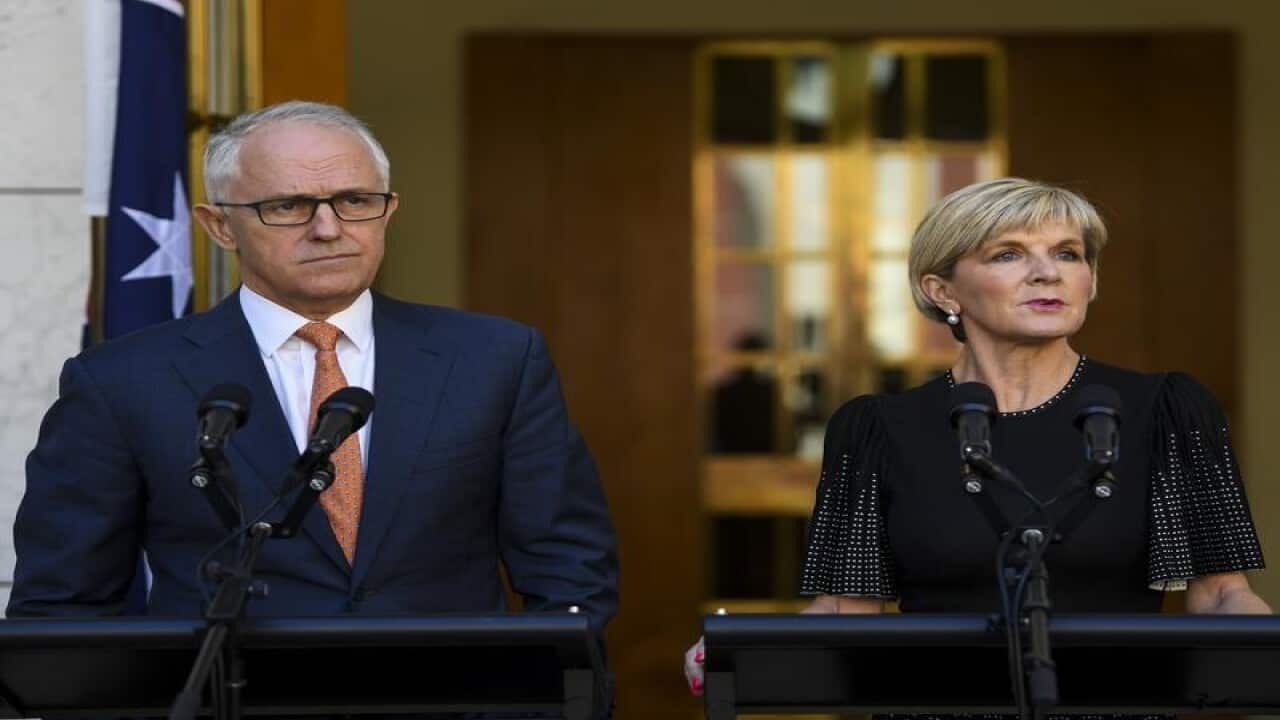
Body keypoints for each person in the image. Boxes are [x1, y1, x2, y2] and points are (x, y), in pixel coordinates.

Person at [8, 101, 619, 635]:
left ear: (388, 210)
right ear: (220, 225)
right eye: (289, 206)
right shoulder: (122, 381)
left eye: (355, 200)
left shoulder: (496, 360)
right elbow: (65, 607)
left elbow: (570, 570)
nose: (328, 229)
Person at [684, 177, 1269, 694]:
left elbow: (1220, 595)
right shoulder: (877, 429)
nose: (1048, 272)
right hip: (938, 710)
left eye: (1068, 253)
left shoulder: (1164, 409)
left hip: (1113, 708)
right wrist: (746, 650)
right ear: (943, 291)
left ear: (1089, 280)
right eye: (1008, 254)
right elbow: (845, 608)